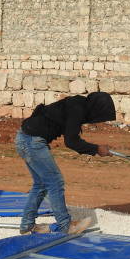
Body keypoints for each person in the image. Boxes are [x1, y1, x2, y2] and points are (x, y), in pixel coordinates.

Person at [15, 91, 116, 235]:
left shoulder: (77, 104)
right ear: (96, 109)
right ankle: (65, 226)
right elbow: (71, 141)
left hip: (25, 138)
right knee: (55, 182)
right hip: (31, 142)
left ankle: (27, 226)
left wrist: (95, 149)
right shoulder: (77, 109)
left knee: (41, 184)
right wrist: (97, 149)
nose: (96, 121)